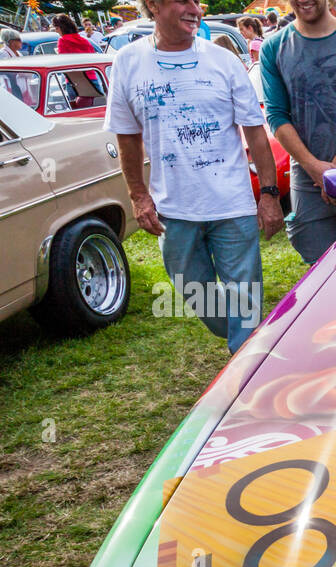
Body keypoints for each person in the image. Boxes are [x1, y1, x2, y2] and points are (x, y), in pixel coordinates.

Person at [105, 0, 283, 354]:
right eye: (183, 1)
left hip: (232, 206)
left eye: (197, 3)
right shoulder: (128, 62)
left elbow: (255, 133)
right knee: (199, 298)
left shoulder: (224, 62)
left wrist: (269, 194)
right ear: (153, 5)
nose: (195, 9)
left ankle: (242, 376)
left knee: (243, 305)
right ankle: (241, 337)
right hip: (174, 210)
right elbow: (127, 137)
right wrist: (139, 196)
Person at [260, 0, 336, 265]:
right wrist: (315, 168)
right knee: (317, 267)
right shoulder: (273, 48)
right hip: (307, 176)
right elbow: (276, 115)